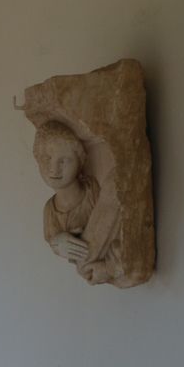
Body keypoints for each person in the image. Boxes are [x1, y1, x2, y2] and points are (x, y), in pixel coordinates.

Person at [34, 121, 115, 283]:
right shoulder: (50, 210)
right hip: (92, 262)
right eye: (47, 158)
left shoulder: (95, 189)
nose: (53, 169)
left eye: (63, 160)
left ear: (80, 160)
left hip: (109, 254)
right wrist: (57, 245)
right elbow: (53, 240)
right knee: (84, 266)